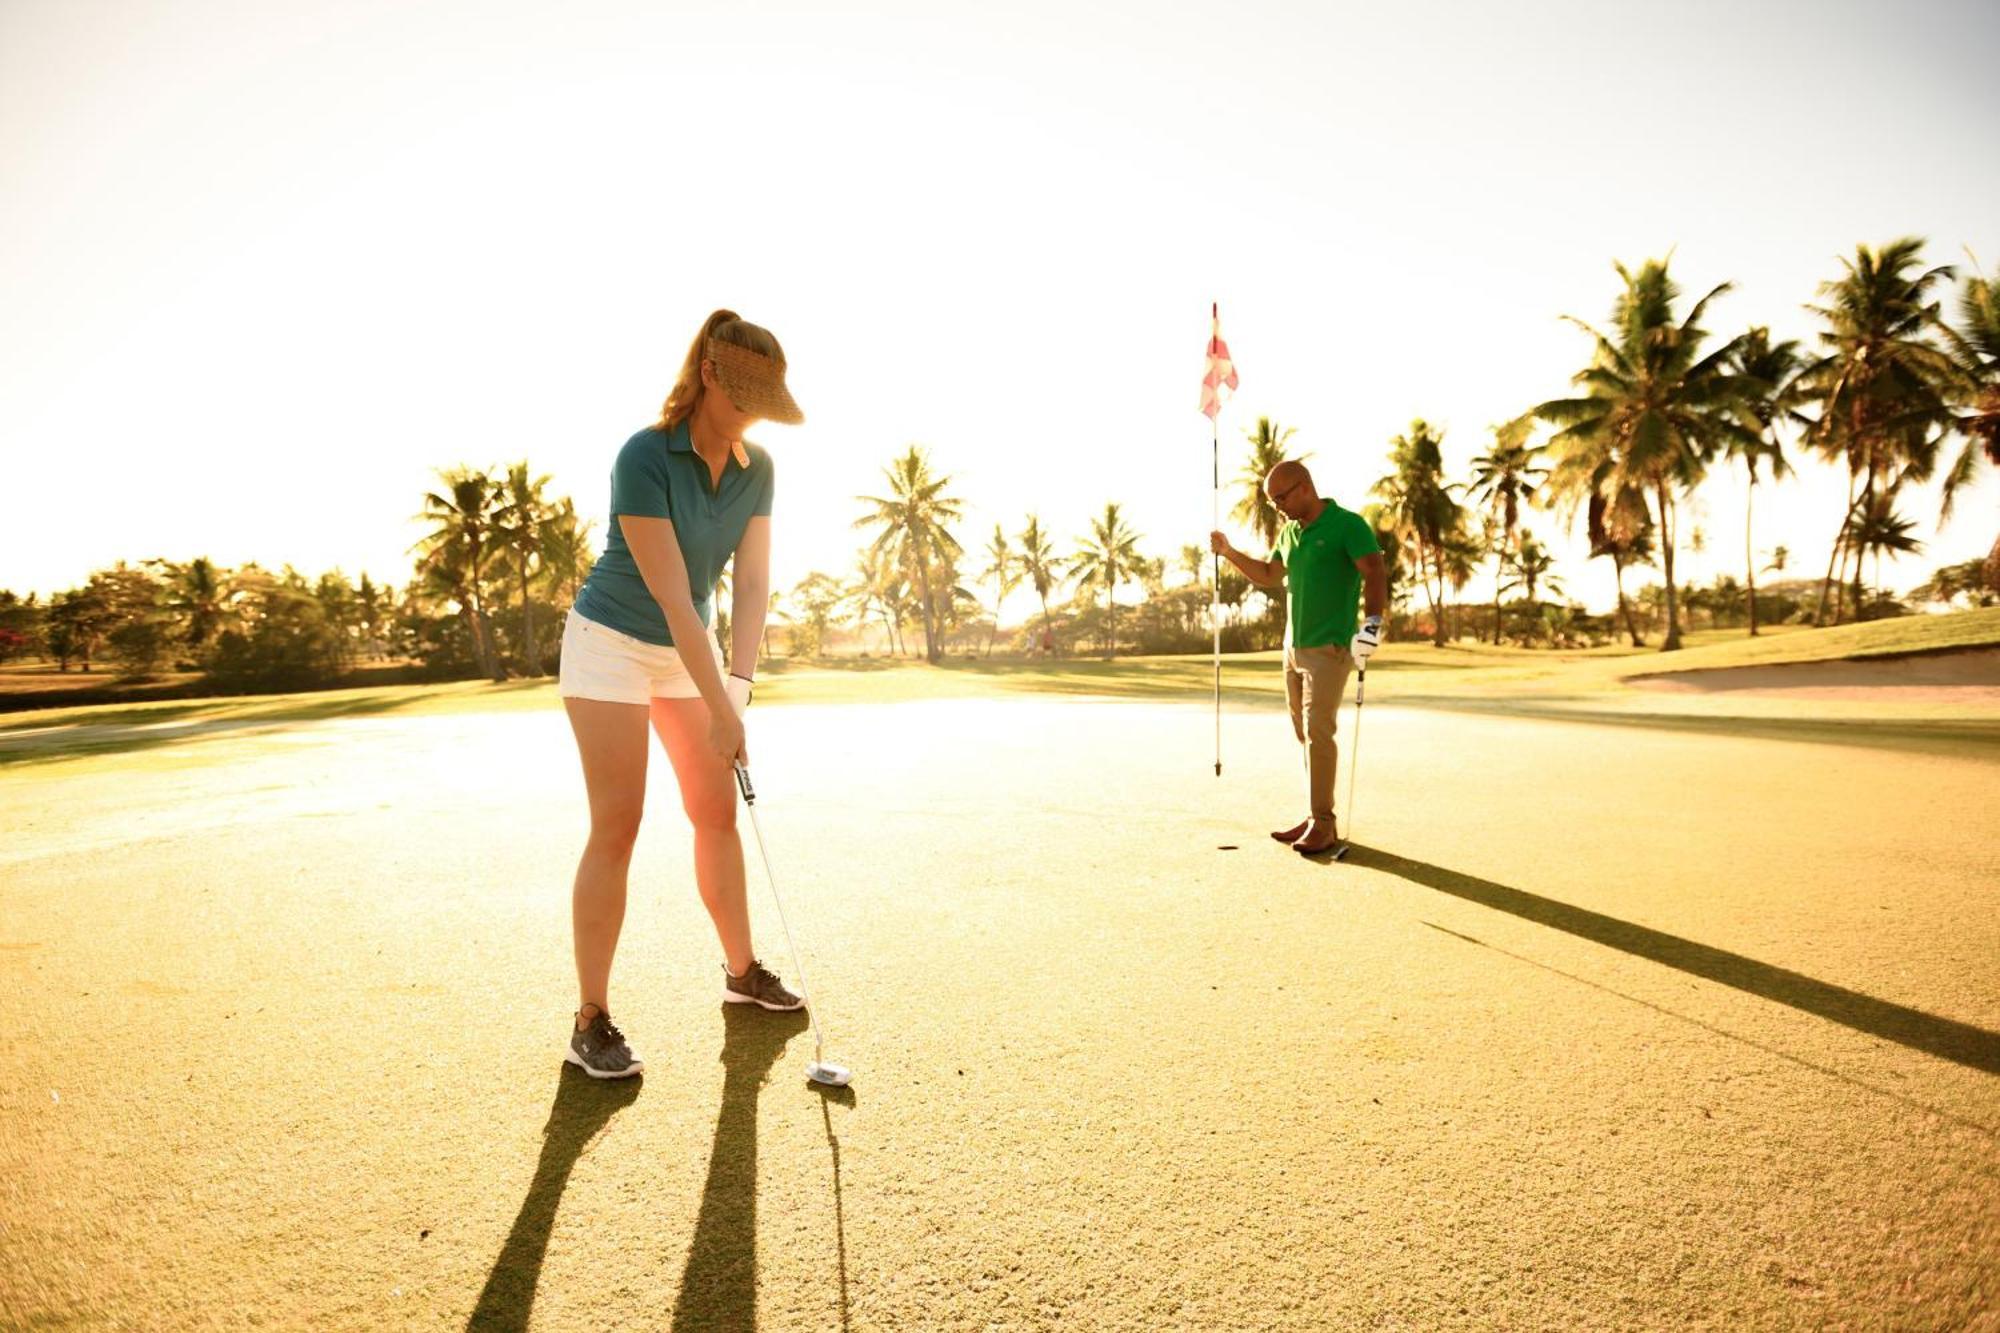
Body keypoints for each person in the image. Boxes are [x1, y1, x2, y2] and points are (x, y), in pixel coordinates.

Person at [555, 309, 807, 1078]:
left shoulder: (757, 467)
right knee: (620, 823)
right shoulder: (644, 456)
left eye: (762, 406)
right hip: (610, 647)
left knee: (714, 811)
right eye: (740, 399)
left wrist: (738, 687)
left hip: (685, 654)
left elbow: (753, 579)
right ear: (707, 376)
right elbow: (669, 595)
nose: (748, 418)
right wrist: (723, 710)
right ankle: (590, 1018)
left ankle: (741, 972)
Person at [1210, 459, 1388, 856]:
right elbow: (1271, 575)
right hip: (1293, 648)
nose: (1278, 507)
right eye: (1272, 502)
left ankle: (1324, 824)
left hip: (1330, 648)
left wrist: (1372, 626)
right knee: (1305, 735)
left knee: (1319, 733)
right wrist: (1228, 552)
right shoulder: (1290, 533)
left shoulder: (1348, 525)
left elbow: (1375, 571)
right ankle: (1314, 816)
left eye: (1281, 498)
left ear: (1304, 487)